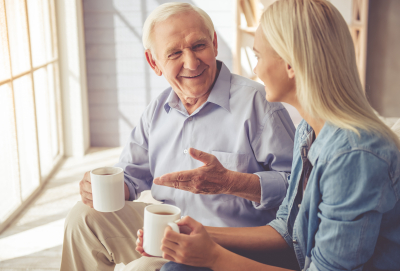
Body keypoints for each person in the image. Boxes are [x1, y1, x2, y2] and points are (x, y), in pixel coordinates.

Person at [135, 0, 400, 270]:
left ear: (290, 64)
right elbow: (288, 230)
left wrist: (213, 256)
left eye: (259, 57)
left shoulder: (353, 155)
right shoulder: (309, 132)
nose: (254, 70)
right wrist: (194, 234)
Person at [59, 3, 296, 271]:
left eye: (198, 46)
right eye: (174, 53)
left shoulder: (260, 104)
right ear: (154, 62)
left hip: (230, 244)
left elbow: (299, 189)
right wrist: (101, 188)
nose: (192, 62)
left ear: (214, 43)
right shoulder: (157, 110)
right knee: (84, 217)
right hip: (164, 230)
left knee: (140, 269)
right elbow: (130, 175)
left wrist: (232, 183)